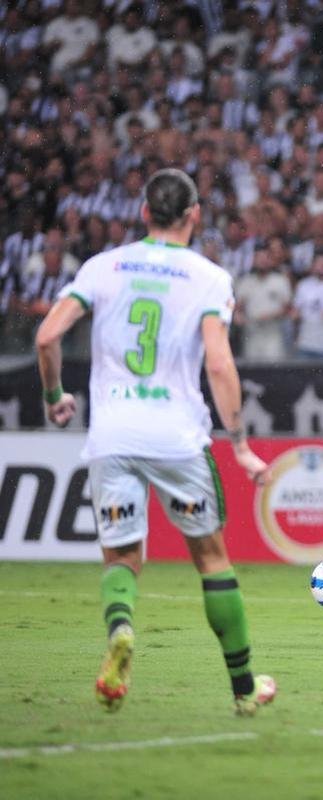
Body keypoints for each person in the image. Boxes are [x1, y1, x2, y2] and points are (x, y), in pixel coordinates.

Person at [33, 169, 276, 715]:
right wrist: (237, 442)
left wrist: (54, 395)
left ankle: (121, 628)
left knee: (121, 554)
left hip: (112, 433)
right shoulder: (208, 277)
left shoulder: (102, 267)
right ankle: (243, 689)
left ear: (144, 213)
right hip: (176, 436)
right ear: (194, 215)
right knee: (212, 558)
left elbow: (47, 335)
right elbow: (219, 361)